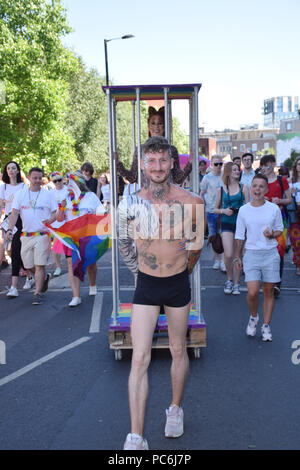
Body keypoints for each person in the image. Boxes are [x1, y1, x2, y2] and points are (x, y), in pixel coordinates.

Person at [118, 136, 204, 450]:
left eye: (163, 160)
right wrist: (140, 272)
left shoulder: (192, 202)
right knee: (139, 358)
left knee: (179, 349)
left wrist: (181, 270)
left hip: (178, 283)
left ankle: (175, 409)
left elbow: (196, 246)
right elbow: (124, 244)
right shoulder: (129, 203)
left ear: (172, 163)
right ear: (143, 164)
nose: (157, 167)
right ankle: (135, 436)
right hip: (146, 286)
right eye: (151, 161)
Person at [234, 173, 283, 341]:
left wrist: (272, 234)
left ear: (266, 189)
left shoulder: (273, 208)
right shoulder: (244, 210)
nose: (257, 189)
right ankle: (254, 317)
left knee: (269, 291)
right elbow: (239, 236)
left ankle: (266, 325)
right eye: (255, 186)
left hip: (270, 254)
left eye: (261, 186)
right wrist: (237, 257)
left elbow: (279, 230)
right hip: (252, 254)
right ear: (251, 187)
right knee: (253, 292)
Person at [6, 167, 58, 305]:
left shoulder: (48, 194)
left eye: (40, 178)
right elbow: (14, 213)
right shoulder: (20, 194)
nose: (37, 181)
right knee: (28, 264)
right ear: (29, 178)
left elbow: (55, 213)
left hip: (42, 234)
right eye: (35, 178)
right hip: (26, 235)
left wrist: (51, 220)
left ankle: (37, 293)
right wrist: (9, 230)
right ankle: (44, 277)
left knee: (39, 265)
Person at [57, 171, 106, 307]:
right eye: (67, 182)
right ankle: (76, 296)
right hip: (71, 237)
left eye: (71, 182)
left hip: (87, 236)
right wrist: (61, 208)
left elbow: (100, 213)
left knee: (90, 264)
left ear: (78, 183)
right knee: (71, 264)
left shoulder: (90, 197)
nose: (68, 185)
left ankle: (92, 284)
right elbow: (60, 218)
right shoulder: (65, 197)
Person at [115, 106, 192, 186]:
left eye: (160, 123)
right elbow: (133, 177)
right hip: (146, 194)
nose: (156, 127)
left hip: (166, 194)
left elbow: (178, 178)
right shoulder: (141, 150)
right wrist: (117, 163)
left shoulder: (171, 150)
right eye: (153, 123)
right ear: (148, 126)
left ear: (164, 126)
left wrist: (190, 163)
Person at [214, 162, 249, 294]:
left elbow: (248, 206)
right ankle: (229, 279)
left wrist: (240, 210)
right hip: (227, 223)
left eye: (238, 170)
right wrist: (224, 211)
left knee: (237, 255)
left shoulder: (244, 187)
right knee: (228, 254)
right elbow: (215, 209)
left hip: (241, 225)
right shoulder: (221, 190)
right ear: (228, 172)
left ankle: (235, 284)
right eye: (234, 170)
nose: (237, 172)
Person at [260, 154, 292, 297]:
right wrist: (263, 198)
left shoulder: (282, 180)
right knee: (265, 251)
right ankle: (267, 282)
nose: (263, 168)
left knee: (279, 251)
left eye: (265, 165)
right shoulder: (262, 181)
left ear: (272, 164)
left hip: (280, 219)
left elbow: (289, 199)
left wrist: (279, 200)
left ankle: (277, 284)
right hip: (264, 220)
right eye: (261, 166)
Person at [0, 161, 31, 297]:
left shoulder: (23, 187)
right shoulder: (3, 187)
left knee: (17, 250)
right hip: (7, 220)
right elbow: (1, 205)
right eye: (8, 169)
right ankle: (30, 275)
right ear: (6, 171)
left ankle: (14, 287)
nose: (11, 170)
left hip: (19, 220)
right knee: (10, 250)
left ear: (18, 171)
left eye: (13, 168)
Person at [200, 155, 226, 272]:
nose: (218, 166)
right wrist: (203, 205)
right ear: (211, 164)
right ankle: (216, 259)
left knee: (224, 235)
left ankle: (224, 261)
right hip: (210, 211)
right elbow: (202, 192)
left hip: (223, 210)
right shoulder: (206, 178)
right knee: (213, 236)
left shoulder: (225, 177)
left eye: (220, 164)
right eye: (216, 164)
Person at [50, 172, 69, 277]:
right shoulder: (50, 193)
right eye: (55, 181)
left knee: (70, 245)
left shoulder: (68, 190)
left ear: (63, 180)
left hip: (68, 221)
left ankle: (73, 265)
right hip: (56, 222)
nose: (57, 182)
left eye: (59, 180)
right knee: (56, 246)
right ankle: (58, 267)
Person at [288, 156, 300, 275]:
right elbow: (287, 197)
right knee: (296, 240)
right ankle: (298, 264)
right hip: (294, 212)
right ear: (295, 166)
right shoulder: (290, 181)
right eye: (298, 164)